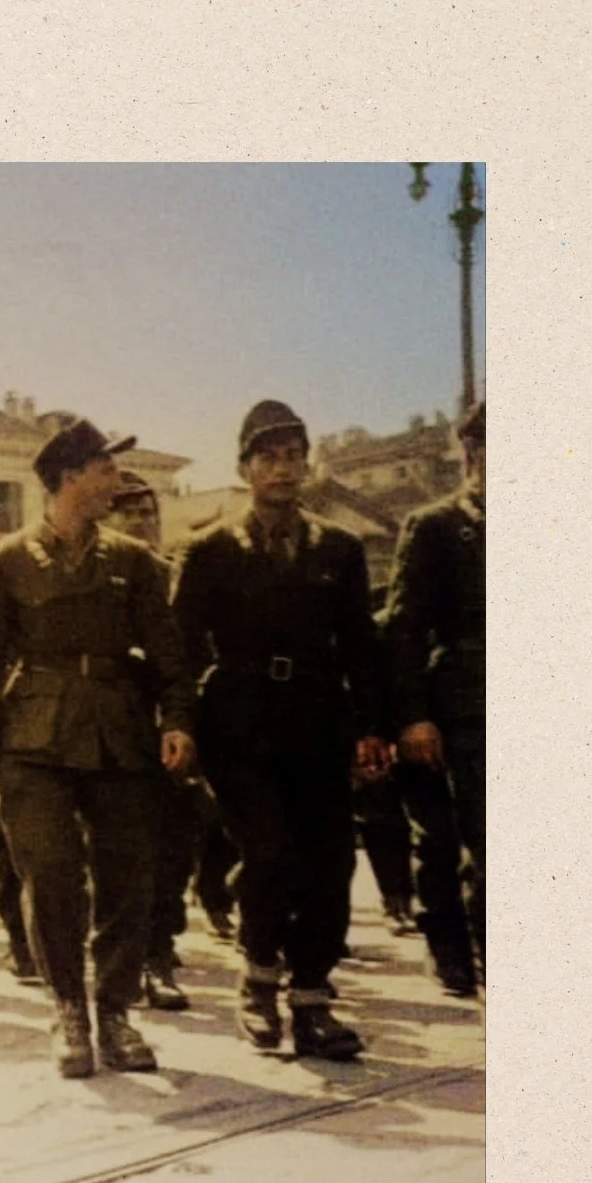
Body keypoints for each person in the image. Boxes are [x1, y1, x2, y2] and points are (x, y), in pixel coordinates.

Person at [0, 417, 196, 1077]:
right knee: (52, 874)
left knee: (128, 876)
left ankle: (115, 1012)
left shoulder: (134, 563)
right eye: (105, 468)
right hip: (31, 738)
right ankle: (69, 1009)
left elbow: (172, 657)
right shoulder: (3, 563)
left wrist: (178, 720)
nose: (115, 480)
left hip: (119, 734)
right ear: (69, 478)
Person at [172, 399, 389, 1059]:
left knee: (331, 862)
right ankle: (260, 981)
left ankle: (313, 1000)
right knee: (267, 852)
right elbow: (179, 647)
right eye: (269, 458)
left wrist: (371, 727)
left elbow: (360, 644)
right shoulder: (208, 550)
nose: (284, 470)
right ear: (244, 468)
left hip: (318, 724)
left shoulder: (339, 548)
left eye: (294, 457)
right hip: (238, 726)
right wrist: (179, 724)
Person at [384, 398, 487, 990]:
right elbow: (403, 627)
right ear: (471, 453)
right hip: (467, 703)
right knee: (475, 837)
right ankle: (453, 947)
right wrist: (414, 716)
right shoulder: (435, 526)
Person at [105, 468, 197, 1011]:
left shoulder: (174, 576)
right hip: (112, 730)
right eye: (128, 513)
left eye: (148, 513)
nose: (141, 523)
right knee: (117, 853)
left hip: (168, 728)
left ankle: (159, 955)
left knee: (172, 850)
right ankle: (127, 957)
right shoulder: (98, 576)